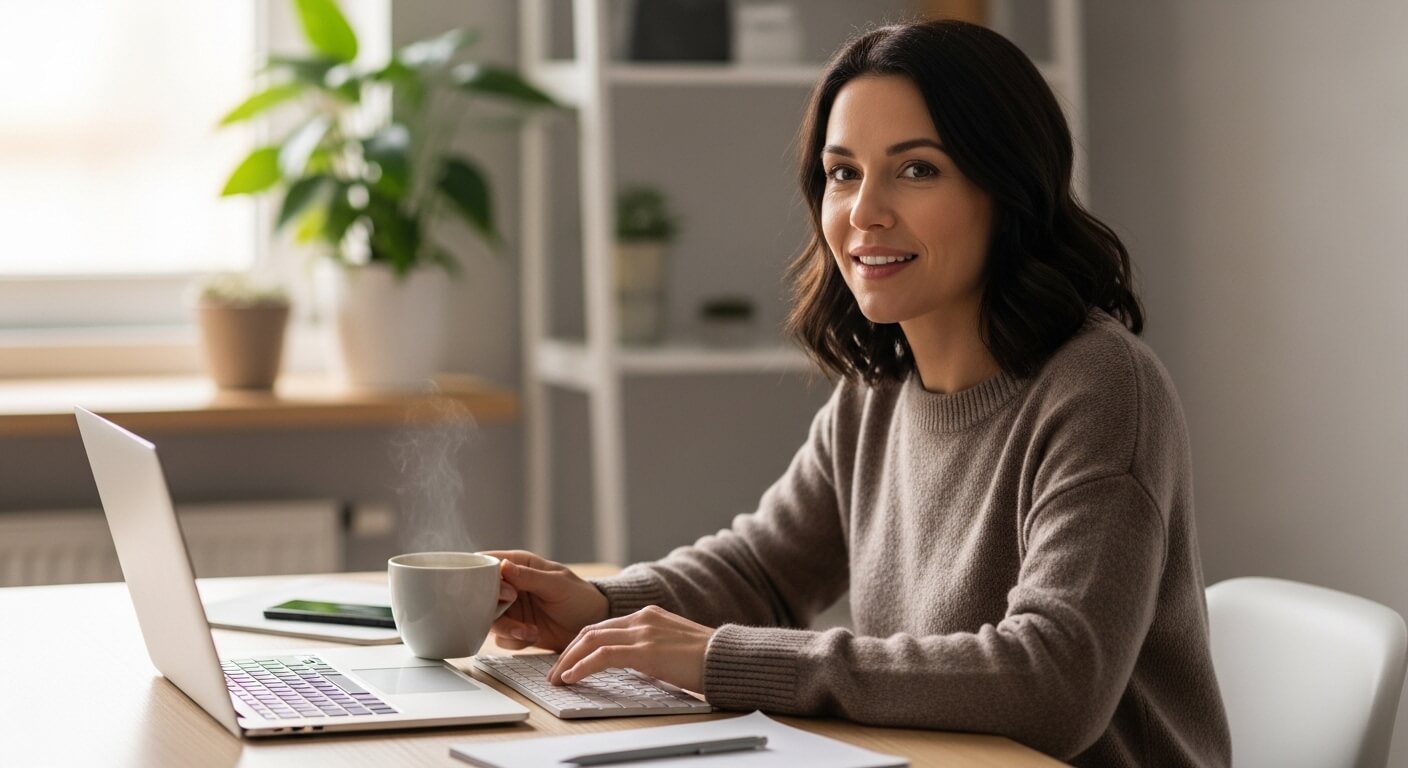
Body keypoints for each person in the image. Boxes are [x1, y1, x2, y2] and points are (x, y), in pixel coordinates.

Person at [487, 18, 1230, 768]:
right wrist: (599, 605)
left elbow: (1053, 685)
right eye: (843, 172)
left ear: (1007, 188)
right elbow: (764, 570)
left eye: (917, 170)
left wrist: (720, 657)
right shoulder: (878, 387)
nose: (864, 212)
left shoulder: (1101, 387)